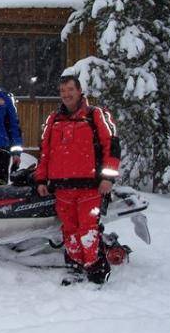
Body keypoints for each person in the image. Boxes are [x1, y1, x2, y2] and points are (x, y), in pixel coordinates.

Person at [35, 71, 120, 285]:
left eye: (70, 90)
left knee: (88, 231)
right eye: (62, 91)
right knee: (70, 231)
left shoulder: (95, 115)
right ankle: (74, 267)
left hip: (90, 187)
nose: (66, 94)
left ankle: (95, 271)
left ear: (79, 91)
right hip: (62, 188)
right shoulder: (53, 119)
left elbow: (112, 146)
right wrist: (41, 180)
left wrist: (108, 178)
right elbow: (44, 152)